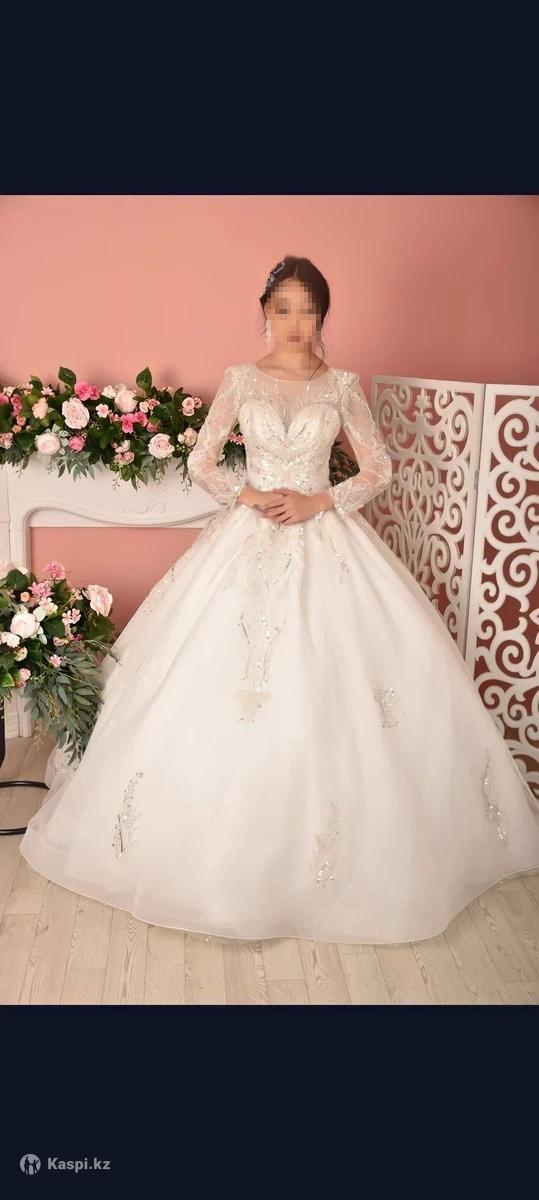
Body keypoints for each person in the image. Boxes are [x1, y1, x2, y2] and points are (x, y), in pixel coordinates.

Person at [18, 255, 539, 945]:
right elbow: (202, 461)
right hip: (247, 534)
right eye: (283, 307)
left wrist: (320, 500)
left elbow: (379, 466)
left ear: (323, 314)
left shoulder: (341, 385)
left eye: (307, 308)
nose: (295, 321)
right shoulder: (241, 379)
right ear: (265, 311)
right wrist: (249, 495)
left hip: (326, 536)